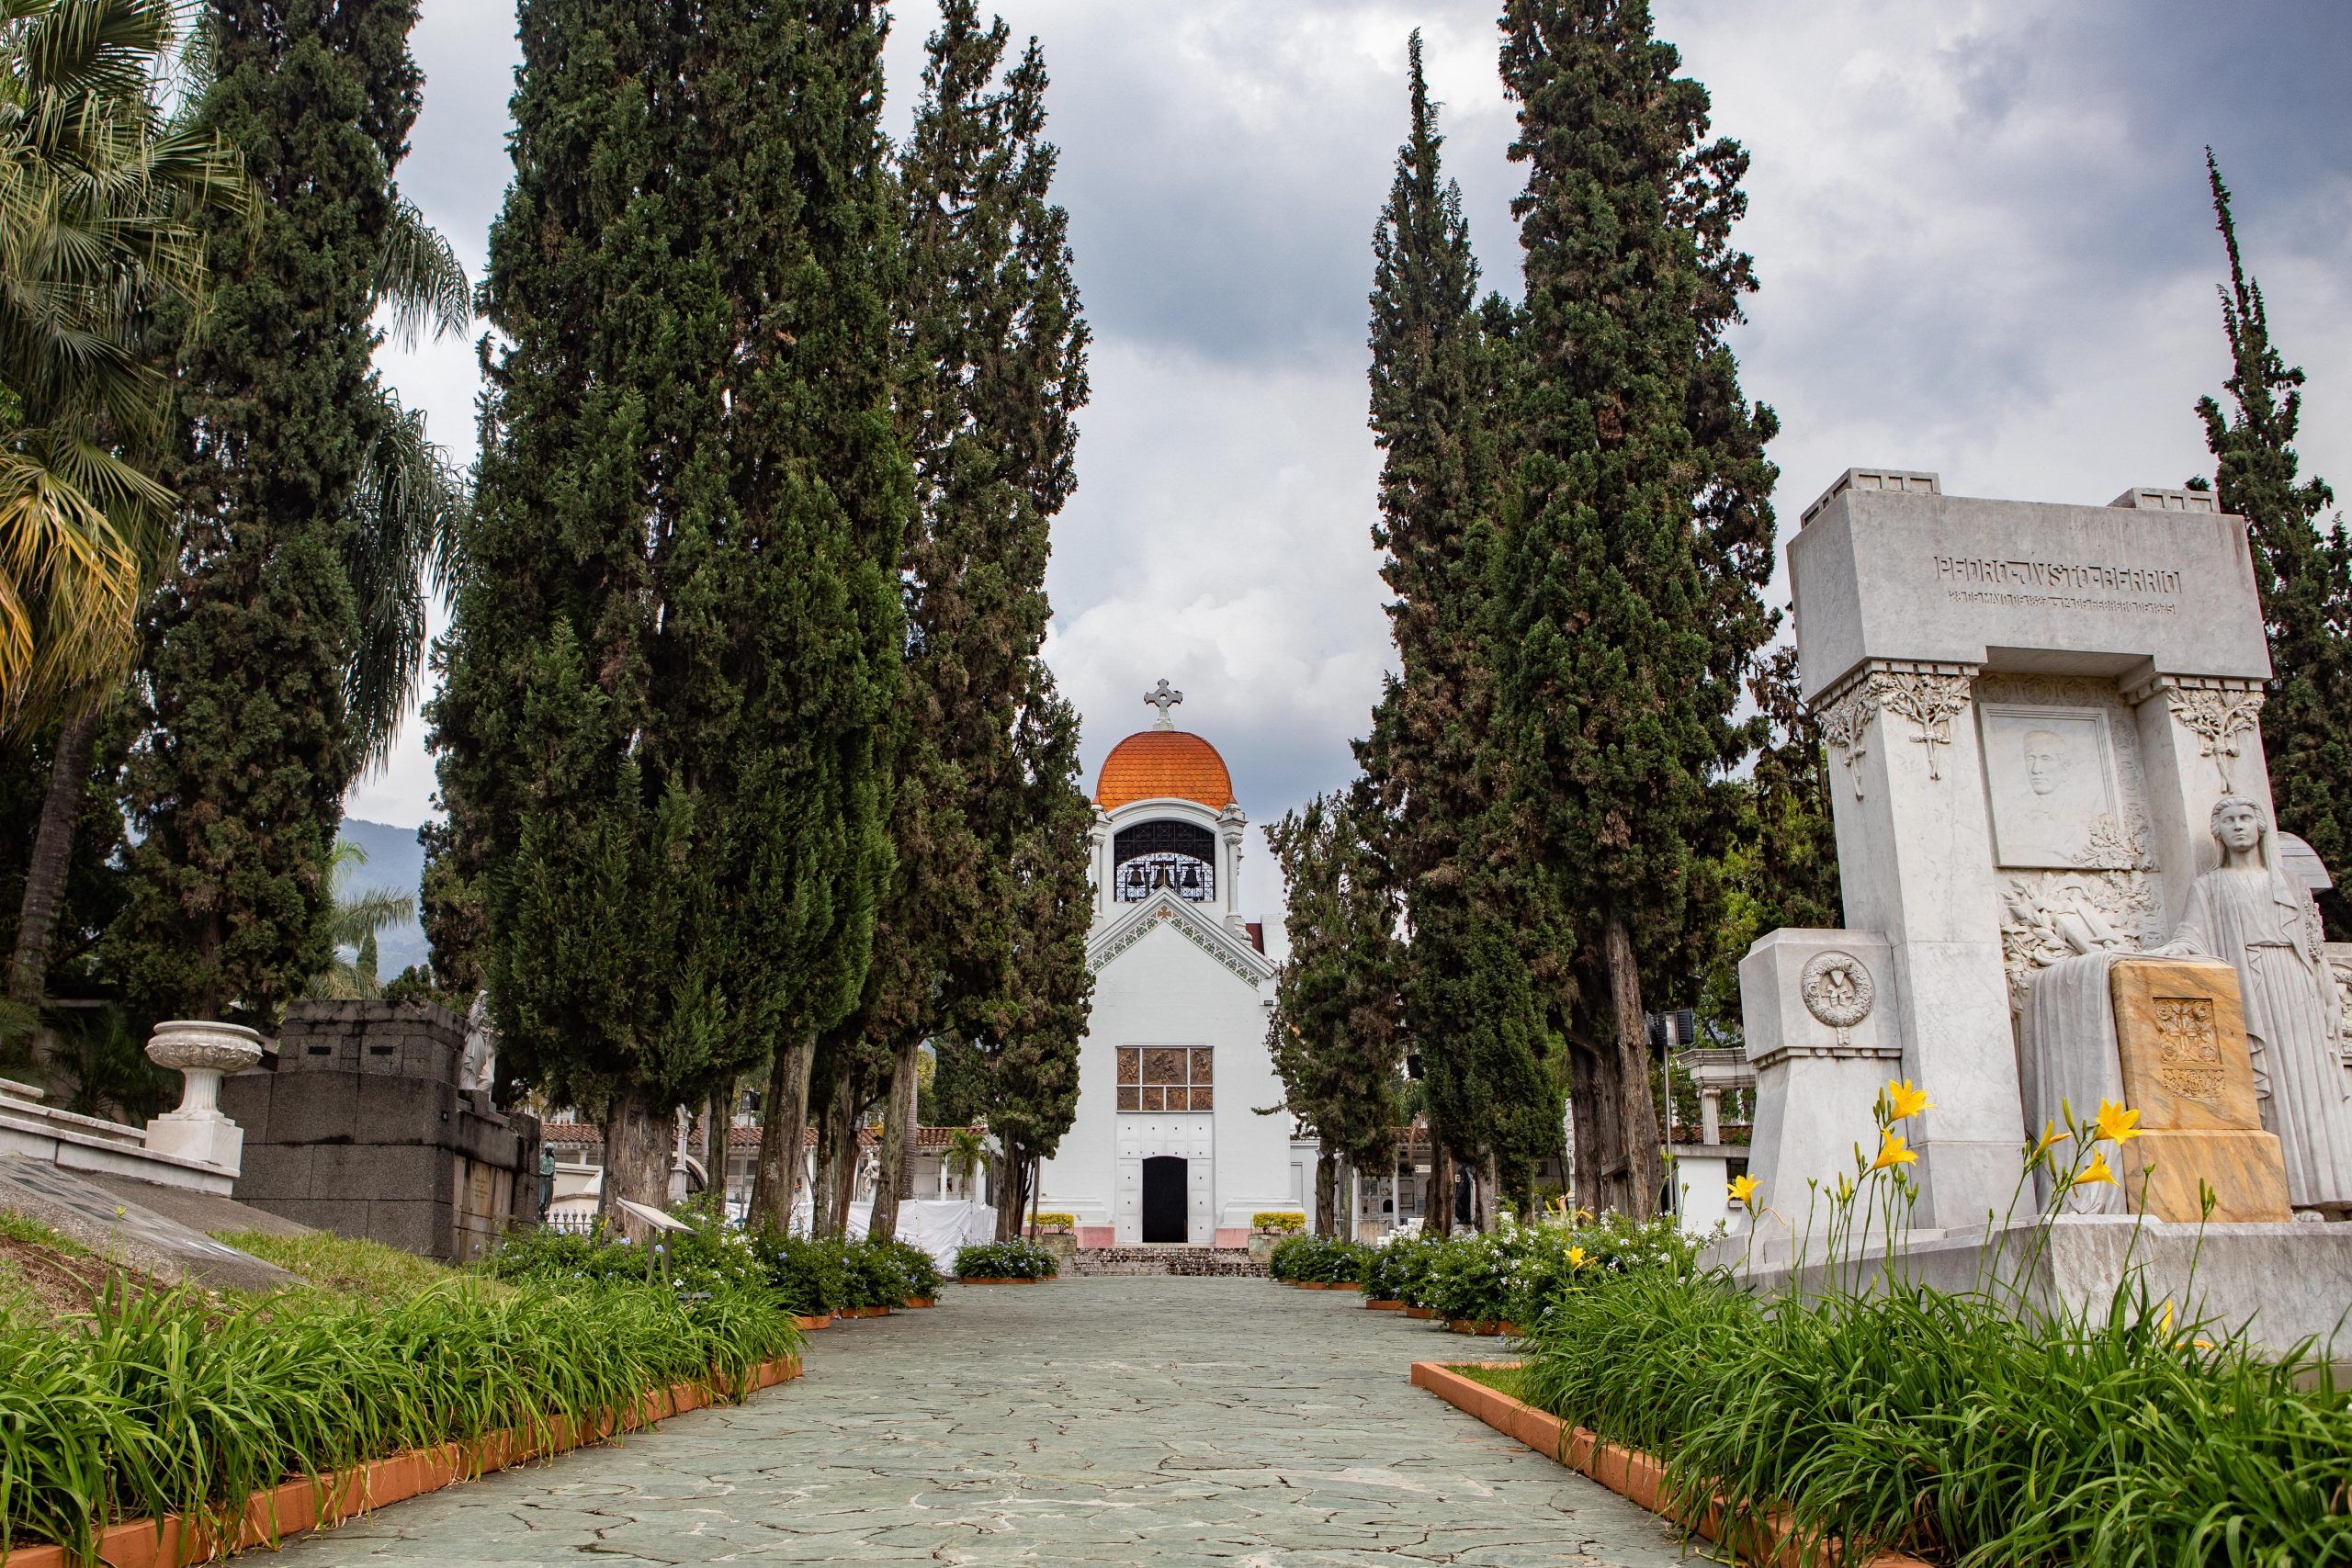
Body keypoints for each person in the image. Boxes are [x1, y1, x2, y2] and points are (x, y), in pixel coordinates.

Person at [2162, 795, 2352, 1216]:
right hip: (2252, 988)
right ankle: (2292, 1195)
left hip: (2296, 984)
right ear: (2218, 833)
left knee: (2314, 1084)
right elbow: (2190, 938)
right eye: (2229, 820)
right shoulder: (2209, 886)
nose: (2239, 826)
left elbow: (2317, 952)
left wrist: (2331, 1003)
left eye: (2247, 818)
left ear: (2261, 826)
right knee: (2275, 1089)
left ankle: (2335, 1190)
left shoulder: (2291, 883)